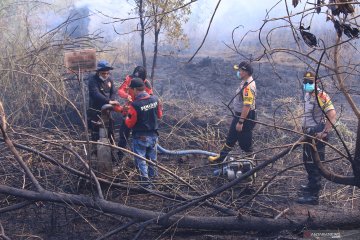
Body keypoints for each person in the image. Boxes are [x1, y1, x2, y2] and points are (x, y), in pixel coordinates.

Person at [297, 71, 336, 205]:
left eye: (310, 82)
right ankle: (310, 185)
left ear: (317, 82)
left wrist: (324, 132)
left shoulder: (321, 95)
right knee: (307, 161)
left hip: (317, 135)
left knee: (315, 164)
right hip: (308, 134)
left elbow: (332, 114)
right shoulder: (308, 95)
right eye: (305, 82)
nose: (307, 84)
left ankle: (313, 196)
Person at [209, 61, 257, 163]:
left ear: (245, 72)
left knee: (245, 143)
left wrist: (241, 122)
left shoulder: (248, 86)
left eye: (240, 70)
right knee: (231, 137)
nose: (238, 72)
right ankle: (221, 158)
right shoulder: (245, 81)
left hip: (245, 117)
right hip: (239, 115)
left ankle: (251, 168)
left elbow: (247, 106)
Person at [125, 78, 162, 189]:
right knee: (152, 159)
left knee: (141, 160)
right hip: (154, 136)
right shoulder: (155, 99)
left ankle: (146, 185)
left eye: (131, 90)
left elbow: (130, 124)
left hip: (140, 137)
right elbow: (159, 115)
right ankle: (154, 179)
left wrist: (126, 116)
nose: (130, 92)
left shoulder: (135, 105)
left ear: (135, 89)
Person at [117, 66, 153, 160]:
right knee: (123, 135)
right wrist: (127, 95)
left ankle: (143, 159)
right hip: (128, 111)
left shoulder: (146, 84)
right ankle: (120, 157)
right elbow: (120, 90)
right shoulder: (129, 79)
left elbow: (149, 99)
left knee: (141, 137)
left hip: (140, 114)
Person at [88, 60, 119, 142]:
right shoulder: (93, 80)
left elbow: (113, 91)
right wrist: (108, 101)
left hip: (108, 109)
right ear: (98, 72)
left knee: (110, 129)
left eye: (107, 73)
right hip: (96, 109)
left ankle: (112, 148)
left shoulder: (110, 79)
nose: (105, 75)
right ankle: (96, 150)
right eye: (103, 73)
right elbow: (95, 94)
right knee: (96, 131)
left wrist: (111, 101)